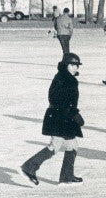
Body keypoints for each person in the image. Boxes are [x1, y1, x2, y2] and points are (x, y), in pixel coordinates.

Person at [21, 52, 86, 186]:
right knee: (56, 145)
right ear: (66, 65)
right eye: (73, 65)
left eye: (77, 65)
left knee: (72, 145)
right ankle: (29, 167)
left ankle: (67, 177)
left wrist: (72, 113)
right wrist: (73, 113)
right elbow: (55, 98)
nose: (76, 68)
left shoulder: (65, 77)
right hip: (60, 117)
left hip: (63, 117)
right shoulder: (64, 78)